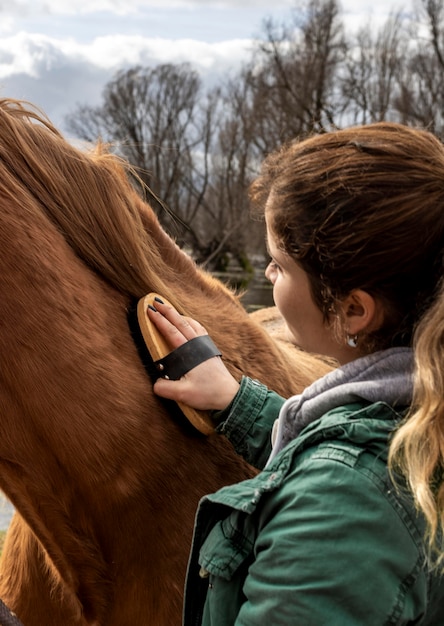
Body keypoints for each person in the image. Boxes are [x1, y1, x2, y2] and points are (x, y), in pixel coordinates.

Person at [147, 122, 444, 625]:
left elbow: (352, 487)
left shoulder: (342, 510)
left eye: (280, 265)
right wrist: (239, 405)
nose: (267, 275)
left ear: (353, 311)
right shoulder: (419, 410)